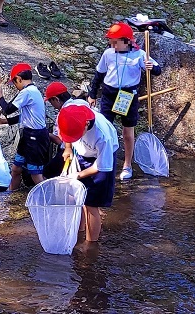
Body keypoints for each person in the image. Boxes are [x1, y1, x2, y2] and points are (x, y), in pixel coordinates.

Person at [87, 22, 161, 180]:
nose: (112, 44)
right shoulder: (108, 54)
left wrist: (151, 67)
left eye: (115, 42)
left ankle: (127, 165)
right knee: (105, 129)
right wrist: (92, 94)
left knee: (128, 131)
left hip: (128, 95)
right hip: (109, 94)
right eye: (111, 41)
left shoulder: (140, 55)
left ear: (127, 41)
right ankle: (101, 161)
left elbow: (157, 70)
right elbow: (99, 75)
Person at [58, 105, 119, 242]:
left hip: (100, 160)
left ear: (86, 124)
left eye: (76, 135)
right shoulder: (69, 110)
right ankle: (79, 231)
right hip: (82, 154)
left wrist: (77, 175)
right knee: (77, 197)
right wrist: (68, 148)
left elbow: (101, 166)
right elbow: (65, 130)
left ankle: (90, 244)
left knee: (91, 203)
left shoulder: (103, 136)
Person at [0, 63, 49, 190]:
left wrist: (0, 96)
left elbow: (8, 109)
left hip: (36, 137)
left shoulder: (28, 92)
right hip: (28, 134)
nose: (15, 87)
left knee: (35, 173)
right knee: (16, 168)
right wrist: (4, 121)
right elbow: (24, 117)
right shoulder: (32, 91)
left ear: (19, 79)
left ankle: (48, 198)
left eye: (14, 83)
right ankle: (12, 194)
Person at [43, 82, 90, 179]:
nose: (52, 105)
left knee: (47, 173)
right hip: (88, 148)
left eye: (51, 102)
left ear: (56, 99)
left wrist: (46, 134)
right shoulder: (82, 103)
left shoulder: (64, 114)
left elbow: (61, 141)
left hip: (72, 151)